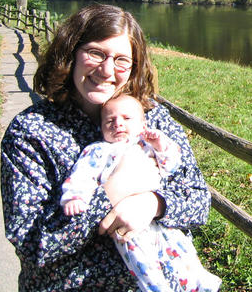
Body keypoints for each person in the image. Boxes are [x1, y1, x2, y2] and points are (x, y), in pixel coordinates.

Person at [0, 4, 213, 291]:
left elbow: (199, 200)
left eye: (122, 60)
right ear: (70, 53)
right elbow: (32, 244)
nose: (107, 70)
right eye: (96, 53)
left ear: (134, 66)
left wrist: (153, 203)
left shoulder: (153, 117)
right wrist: (114, 191)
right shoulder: (31, 131)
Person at [60, 94, 221, 292]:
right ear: (100, 128)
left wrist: (161, 146)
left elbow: (172, 166)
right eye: (109, 121)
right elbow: (82, 174)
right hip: (124, 225)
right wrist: (74, 196)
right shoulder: (98, 151)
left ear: (143, 125)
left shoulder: (147, 145)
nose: (118, 124)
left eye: (127, 118)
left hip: (157, 220)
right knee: (141, 260)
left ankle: (200, 282)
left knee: (180, 248)